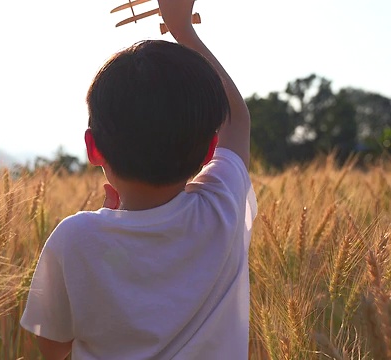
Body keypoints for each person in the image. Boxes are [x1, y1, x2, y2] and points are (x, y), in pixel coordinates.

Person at [20, 0, 257, 358]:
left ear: (92, 147)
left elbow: (52, 348)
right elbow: (236, 120)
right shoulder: (221, 207)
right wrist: (183, 29)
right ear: (210, 150)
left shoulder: (74, 239)